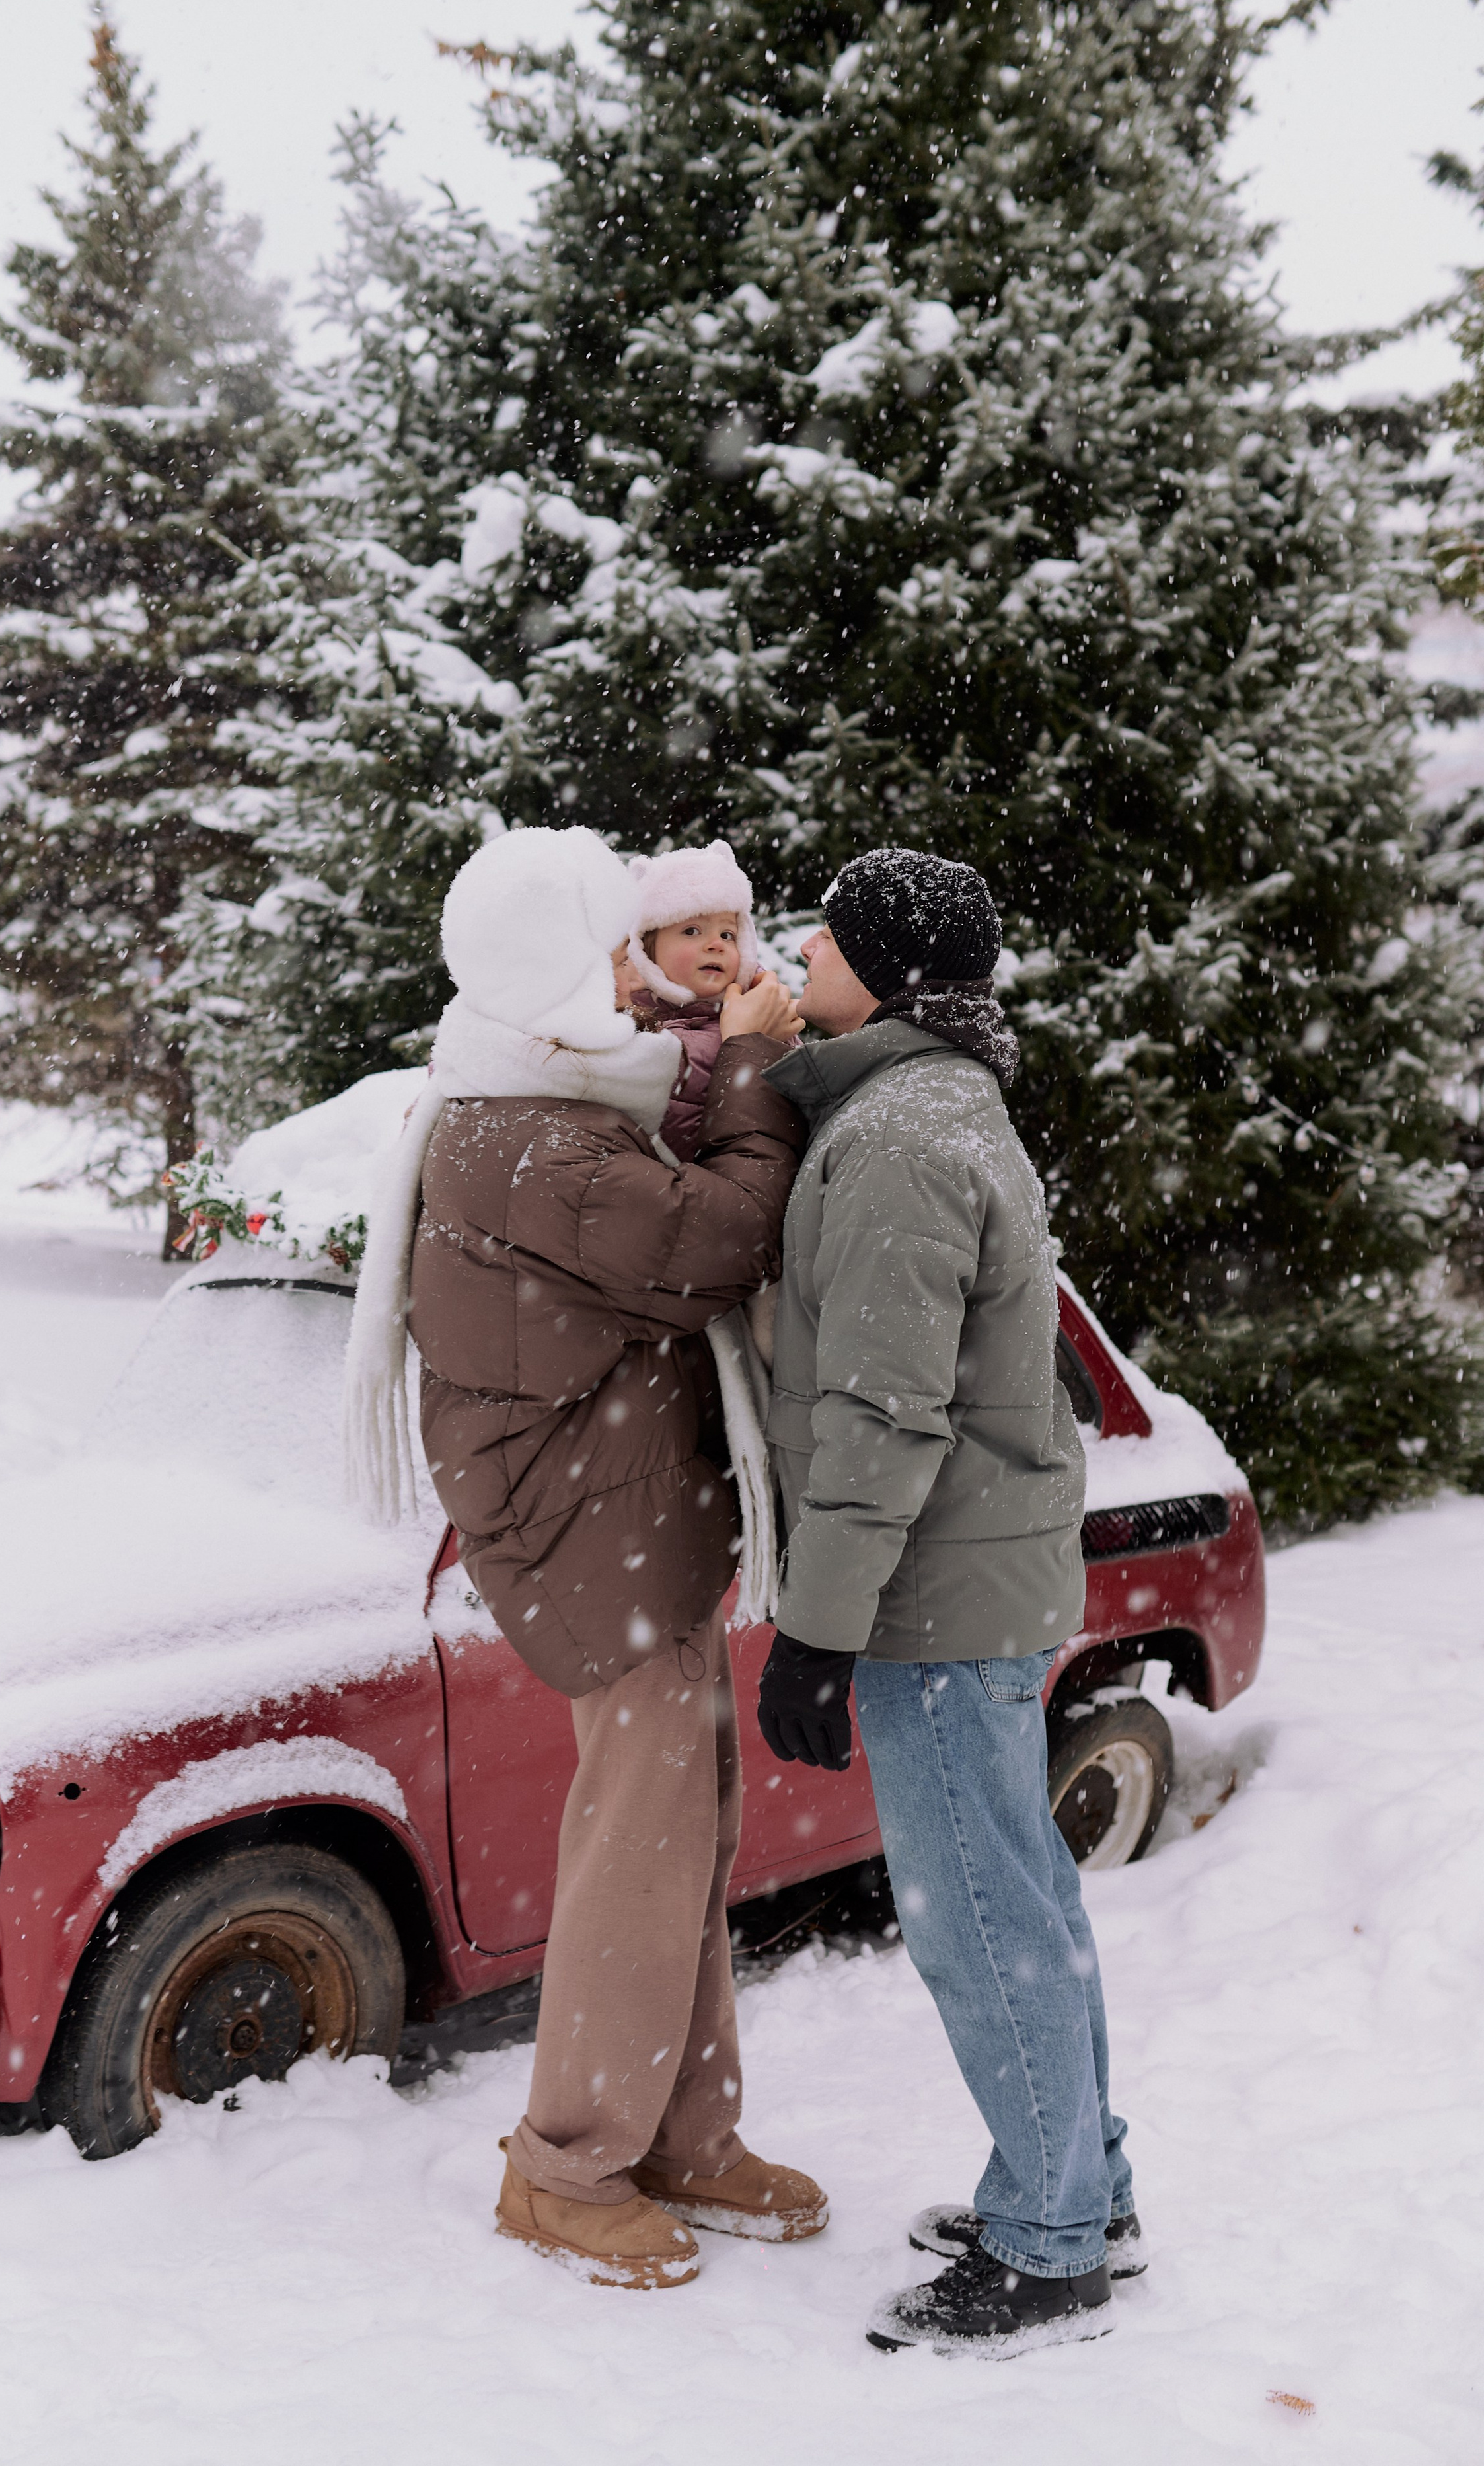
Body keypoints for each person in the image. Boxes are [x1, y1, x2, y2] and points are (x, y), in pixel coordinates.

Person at [346, 825, 825, 2290]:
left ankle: (681, 2131)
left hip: (631, 1522)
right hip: (594, 1537)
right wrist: (748, 1064)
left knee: (687, 1835)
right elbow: (719, 1240)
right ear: (550, 969)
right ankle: (568, 2161)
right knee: (641, 1846)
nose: (641, 975)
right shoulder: (536, 1140)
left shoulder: (541, 1093)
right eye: (614, 950)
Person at [753, 845, 1138, 2356]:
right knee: (1024, 1904)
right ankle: (1073, 2187)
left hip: (935, 1596)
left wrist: (815, 1620)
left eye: (823, 937)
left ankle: (1048, 2247)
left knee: (979, 1918)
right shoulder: (924, 1099)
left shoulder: (899, 1136)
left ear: (882, 969)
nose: (799, 952)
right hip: (982, 1569)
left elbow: (881, 1411)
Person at [620, 838, 799, 1161]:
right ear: (646, 951)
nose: (715, 944)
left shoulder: (758, 1010)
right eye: (692, 931)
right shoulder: (629, 1026)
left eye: (728, 935)